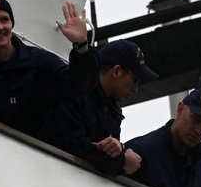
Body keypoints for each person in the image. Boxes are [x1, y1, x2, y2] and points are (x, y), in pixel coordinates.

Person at [0, 0, 98, 137]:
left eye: (4, 20)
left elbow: (78, 85)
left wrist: (82, 48)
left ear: (12, 23)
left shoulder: (40, 63)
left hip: (30, 157)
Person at [38, 39, 157, 175]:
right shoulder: (76, 91)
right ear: (116, 71)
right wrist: (122, 161)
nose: (136, 89)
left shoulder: (112, 109)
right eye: (135, 80)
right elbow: (73, 146)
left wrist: (118, 149)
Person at [125, 88, 201, 187]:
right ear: (180, 109)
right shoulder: (141, 151)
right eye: (195, 119)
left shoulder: (200, 167)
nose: (198, 130)